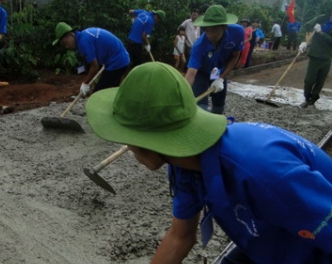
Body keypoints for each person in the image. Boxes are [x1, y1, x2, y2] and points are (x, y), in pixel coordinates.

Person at [85, 61, 332, 264]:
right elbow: (180, 237)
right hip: (267, 242)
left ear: (149, 141)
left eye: (127, 139)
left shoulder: (261, 171)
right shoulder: (186, 165)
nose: (127, 147)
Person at [184, 5, 243, 114]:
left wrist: (221, 78)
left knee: (219, 104)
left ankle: (217, 124)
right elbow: (191, 73)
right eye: (207, 30)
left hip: (217, 71)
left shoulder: (237, 33)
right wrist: (183, 94)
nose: (210, 34)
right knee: (201, 107)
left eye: (214, 30)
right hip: (201, 72)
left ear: (224, 27)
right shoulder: (199, 46)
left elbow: (235, 56)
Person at [53, 22, 130, 96]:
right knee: (110, 91)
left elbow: (95, 66)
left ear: (70, 35)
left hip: (117, 62)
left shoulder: (83, 42)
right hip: (120, 58)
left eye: (65, 43)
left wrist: (85, 83)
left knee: (98, 94)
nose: (67, 46)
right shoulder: (84, 35)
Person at [298, 17, 332, 108]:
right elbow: (307, 29)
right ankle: (307, 98)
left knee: (320, 81)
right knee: (309, 80)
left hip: (326, 58)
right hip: (315, 56)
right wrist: (304, 42)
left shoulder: (322, 28)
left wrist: (321, 32)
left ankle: (312, 100)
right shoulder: (320, 21)